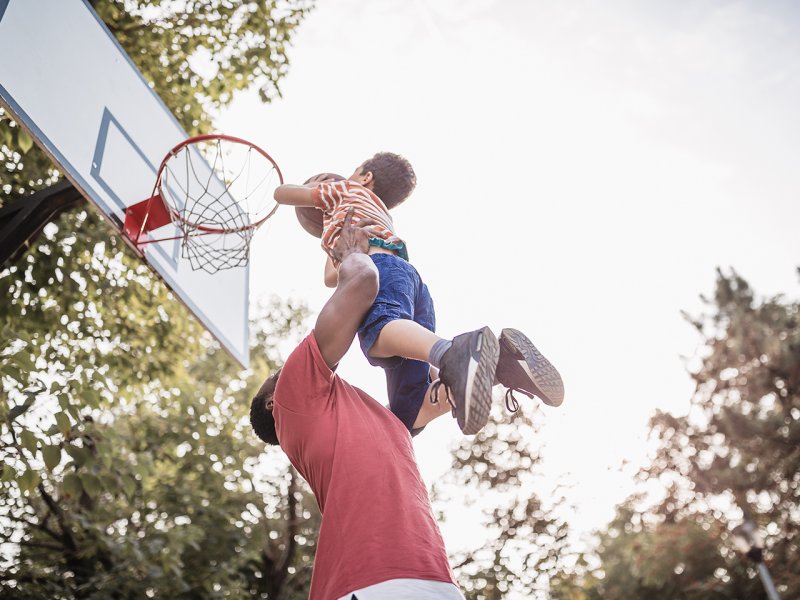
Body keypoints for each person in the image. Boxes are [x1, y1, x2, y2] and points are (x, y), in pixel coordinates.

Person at [249, 208, 465, 599]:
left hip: (433, 580)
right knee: (381, 331)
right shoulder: (291, 399)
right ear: (271, 403)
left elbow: (439, 398)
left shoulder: (379, 419)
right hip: (367, 583)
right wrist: (349, 254)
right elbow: (364, 282)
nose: (285, 365)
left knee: (414, 402)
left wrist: (489, 368)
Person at [274, 160, 564, 437]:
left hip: (381, 270)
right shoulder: (375, 211)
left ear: (366, 177)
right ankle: (505, 365)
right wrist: (330, 232)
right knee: (407, 414)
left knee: (378, 331)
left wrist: (314, 195)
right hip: (409, 281)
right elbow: (330, 276)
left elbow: (282, 193)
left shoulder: (343, 190)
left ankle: (451, 353)